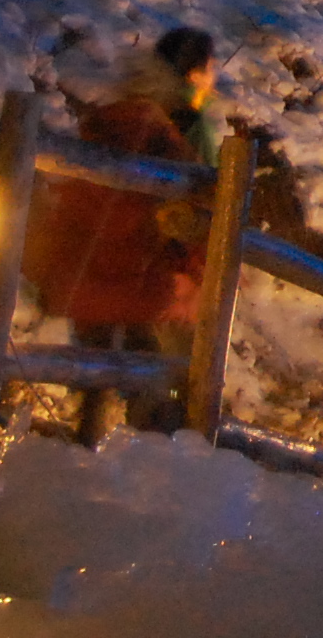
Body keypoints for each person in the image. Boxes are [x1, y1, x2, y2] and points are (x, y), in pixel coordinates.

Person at [28, 27, 223, 439]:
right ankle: (154, 460)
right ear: (194, 73)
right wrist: (200, 273)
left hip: (89, 276)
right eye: (210, 67)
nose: (214, 76)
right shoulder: (181, 129)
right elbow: (199, 212)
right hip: (144, 279)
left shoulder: (108, 121)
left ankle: (87, 446)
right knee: (165, 381)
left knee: (98, 380)